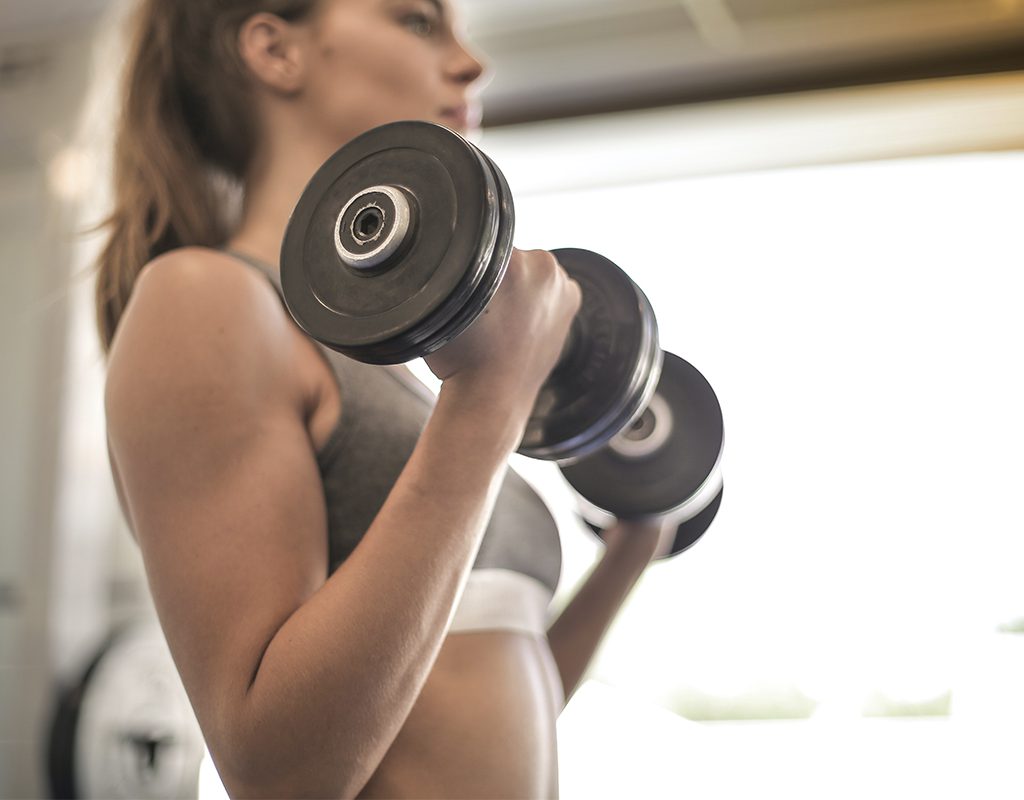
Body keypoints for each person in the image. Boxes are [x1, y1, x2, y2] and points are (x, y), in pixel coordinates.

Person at [98, 0, 673, 796]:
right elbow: (279, 773)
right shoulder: (207, 300)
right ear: (276, 51)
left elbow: (493, 691)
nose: (471, 62)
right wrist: (491, 397)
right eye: (417, 21)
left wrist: (633, 548)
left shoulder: (404, 368)